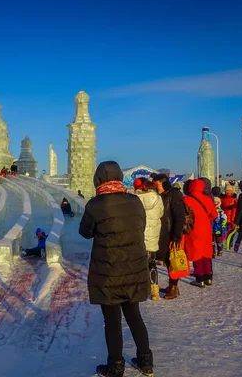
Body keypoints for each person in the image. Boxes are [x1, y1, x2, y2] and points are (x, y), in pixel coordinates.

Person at [79, 161, 152, 377]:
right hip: (134, 267)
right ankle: (146, 361)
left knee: (112, 321)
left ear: (98, 179)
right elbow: (142, 226)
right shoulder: (135, 201)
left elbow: (85, 232)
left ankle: (116, 366)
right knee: (134, 315)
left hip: (108, 270)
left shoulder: (95, 204)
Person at [151, 173, 185, 300]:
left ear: (164, 183)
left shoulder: (174, 195)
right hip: (162, 233)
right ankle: (172, 285)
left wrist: (176, 236)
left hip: (171, 234)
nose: (155, 187)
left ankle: (174, 287)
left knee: (172, 261)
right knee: (166, 259)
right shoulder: (161, 195)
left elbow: (179, 216)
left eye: (157, 184)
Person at [133, 178, 164, 301]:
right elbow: (161, 213)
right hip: (153, 235)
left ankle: (140, 290)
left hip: (139, 236)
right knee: (151, 263)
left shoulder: (136, 199)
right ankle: (154, 291)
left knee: (139, 265)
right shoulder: (158, 198)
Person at [183, 179, 217, 287]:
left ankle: (200, 278)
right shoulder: (207, 198)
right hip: (206, 228)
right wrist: (205, 218)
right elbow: (214, 214)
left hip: (194, 229)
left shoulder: (186, 199)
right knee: (206, 252)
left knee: (196, 253)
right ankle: (208, 277)